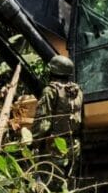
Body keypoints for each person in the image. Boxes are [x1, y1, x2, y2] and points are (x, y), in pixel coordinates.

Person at [32, 55, 83, 185]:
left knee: (52, 182)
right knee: (70, 182)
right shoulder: (77, 92)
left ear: (52, 71)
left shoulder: (50, 91)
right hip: (74, 144)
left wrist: (34, 142)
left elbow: (44, 123)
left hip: (55, 146)